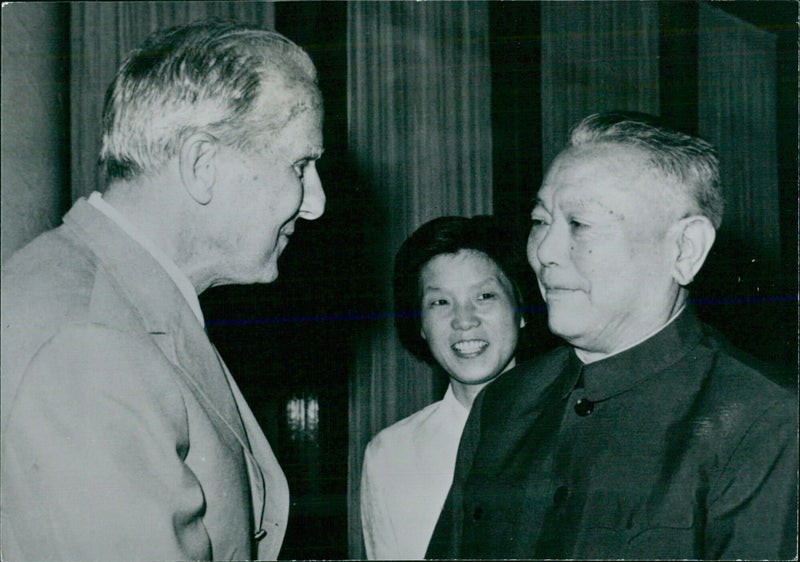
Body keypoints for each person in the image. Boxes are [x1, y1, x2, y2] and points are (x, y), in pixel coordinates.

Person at [1, 20, 325, 561]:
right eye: (300, 165)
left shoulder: (123, 301)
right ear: (202, 165)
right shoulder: (92, 343)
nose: (315, 202)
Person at [426, 112, 798, 560]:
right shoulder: (503, 405)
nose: (543, 252)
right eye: (540, 221)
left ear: (685, 249)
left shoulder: (767, 424)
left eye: (580, 224)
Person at [360, 216, 532, 559]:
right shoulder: (390, 454)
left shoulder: (572, 429)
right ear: (421, 325)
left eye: (484, 296)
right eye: (440, 302)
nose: (464, 320)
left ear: (521, 309)